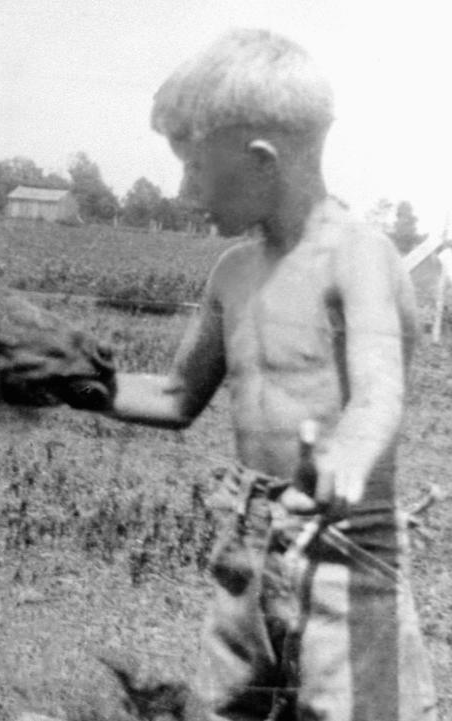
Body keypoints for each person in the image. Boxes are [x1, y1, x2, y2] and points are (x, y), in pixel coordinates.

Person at [98, 28, 436, 720]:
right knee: (226, 705)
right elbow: (173, 394)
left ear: (260, 161)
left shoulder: (360, 256)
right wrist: (64, 377)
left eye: (193, 168)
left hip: (344, 542)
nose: (184, 191)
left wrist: (351, 449)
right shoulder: (233, 272)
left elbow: (379, 392)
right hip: (247, 541)